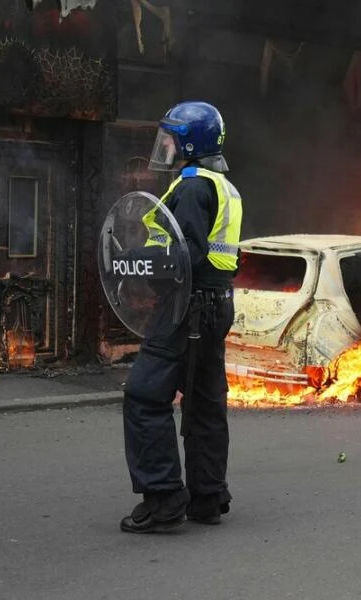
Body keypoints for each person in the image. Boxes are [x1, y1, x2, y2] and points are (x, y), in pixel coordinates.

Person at [119, 101, 243, 533]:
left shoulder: (191, 186)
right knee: (206, 402)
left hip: (183, 307)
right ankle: (208, 497)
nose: (165, 145)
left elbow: (187, 253)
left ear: (190, 143)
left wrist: (136, 259)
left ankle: (164, 499)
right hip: (215, 305)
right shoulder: (222, 185)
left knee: (144, 397)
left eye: (171, 138)